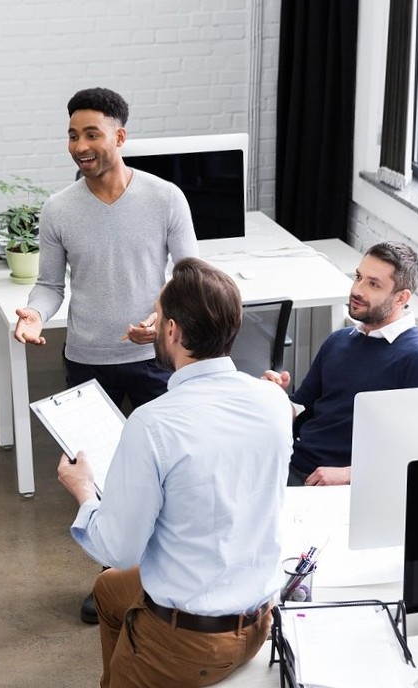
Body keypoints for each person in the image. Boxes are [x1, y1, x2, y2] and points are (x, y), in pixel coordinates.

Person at [57, 257, 293, 688]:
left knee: (115, 570)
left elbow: (119, 548)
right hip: (259, 619)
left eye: (159, 314)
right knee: (110, 591)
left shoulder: (152, 423)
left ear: (171, 331)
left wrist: (85, 491)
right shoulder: (274, 400)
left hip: (189, 644)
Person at [14, 86, 199, 624]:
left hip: (152, 361)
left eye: (92, 134)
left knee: (159, 474)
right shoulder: (58, 209)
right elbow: (49, 285)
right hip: (86, 361)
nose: (80, 145)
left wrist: (162, 319)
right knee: (98, 479)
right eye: (73, 135)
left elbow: (189, 275)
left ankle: (160, 577)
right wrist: (32, 313)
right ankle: (110, 580)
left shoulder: (165, 198)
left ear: (120, 136)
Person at [263, 241, 418, 486]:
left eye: (373, 284)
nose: (358, 290)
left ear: (401, 297)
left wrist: (351, 475)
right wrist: (271, 397)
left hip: (343, 486)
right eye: (358, 277)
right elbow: (301, 409)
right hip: (292, 463)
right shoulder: (339, 340)